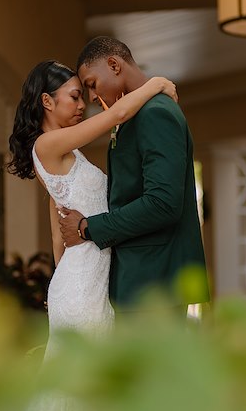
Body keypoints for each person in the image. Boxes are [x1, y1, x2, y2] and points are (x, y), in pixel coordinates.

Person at [7, 60, 178, 358]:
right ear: (47, 100)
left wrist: (64, 277)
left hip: (84, 282)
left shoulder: (63, 152)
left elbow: (57, 224)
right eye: (74, 96)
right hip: (83, 286)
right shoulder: (47, 145)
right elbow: (117, 115)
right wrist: (157, 84)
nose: (81, 105)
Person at [59, 36, 209, 316]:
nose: (92, 97)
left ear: (114, 65)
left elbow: (162, 203)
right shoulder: (133, 115)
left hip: (155, 282)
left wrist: (88, 228)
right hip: (140, 279)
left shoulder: (156, 114)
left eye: (91, 84)